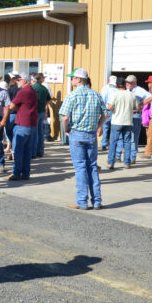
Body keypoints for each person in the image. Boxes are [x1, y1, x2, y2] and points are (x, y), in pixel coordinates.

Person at [60, 68, 108, 210]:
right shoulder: (96, 95)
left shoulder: (72, 95)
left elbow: (65, 117)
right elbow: (105, 115)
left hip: (77, 133)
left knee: (80, 167)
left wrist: (65, 130)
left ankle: (82, 201)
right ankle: (97, 201)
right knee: (92, 166)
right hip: (91, 134)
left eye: (73, 78)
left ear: (79, 79)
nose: (71, 80)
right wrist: (99, 126)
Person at [4, 73, 39, 182]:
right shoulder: (33, 91)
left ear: (24, 81)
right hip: (32, 124)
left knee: (18, 150)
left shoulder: (23, 91)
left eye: (19, 79)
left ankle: (16, 173)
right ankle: (25, 173)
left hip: (23, 124)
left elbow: (12, 106)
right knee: (27, 151)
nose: (17, 81)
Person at [106, 77, 137, 169]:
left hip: (116, 121)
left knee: (113, 142)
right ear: (125, 84)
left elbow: (110, 107)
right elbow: (137, 107)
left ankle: (111, 163)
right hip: (128, 121)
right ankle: (127, 163)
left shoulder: (115, 94)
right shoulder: (131, 94)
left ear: (116, 85)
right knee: (127, 142)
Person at [31, 72, 51, 158]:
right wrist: (43, 104)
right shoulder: (44, 88)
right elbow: (49, 100)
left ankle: (34, 152)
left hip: (35, 111)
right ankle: (40, 151)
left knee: (34, 132)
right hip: (42, 111)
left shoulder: (32, 88)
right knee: (40, 131)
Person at [99, 75, 118, 151]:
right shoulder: (117, 90)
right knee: (114, 128)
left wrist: (101, 111)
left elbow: (102, 100)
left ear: (109, 81)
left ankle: (104, 144)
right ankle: (112, 144)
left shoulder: (105, 89)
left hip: (107, 110)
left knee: (105, 127)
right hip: (115, 111)